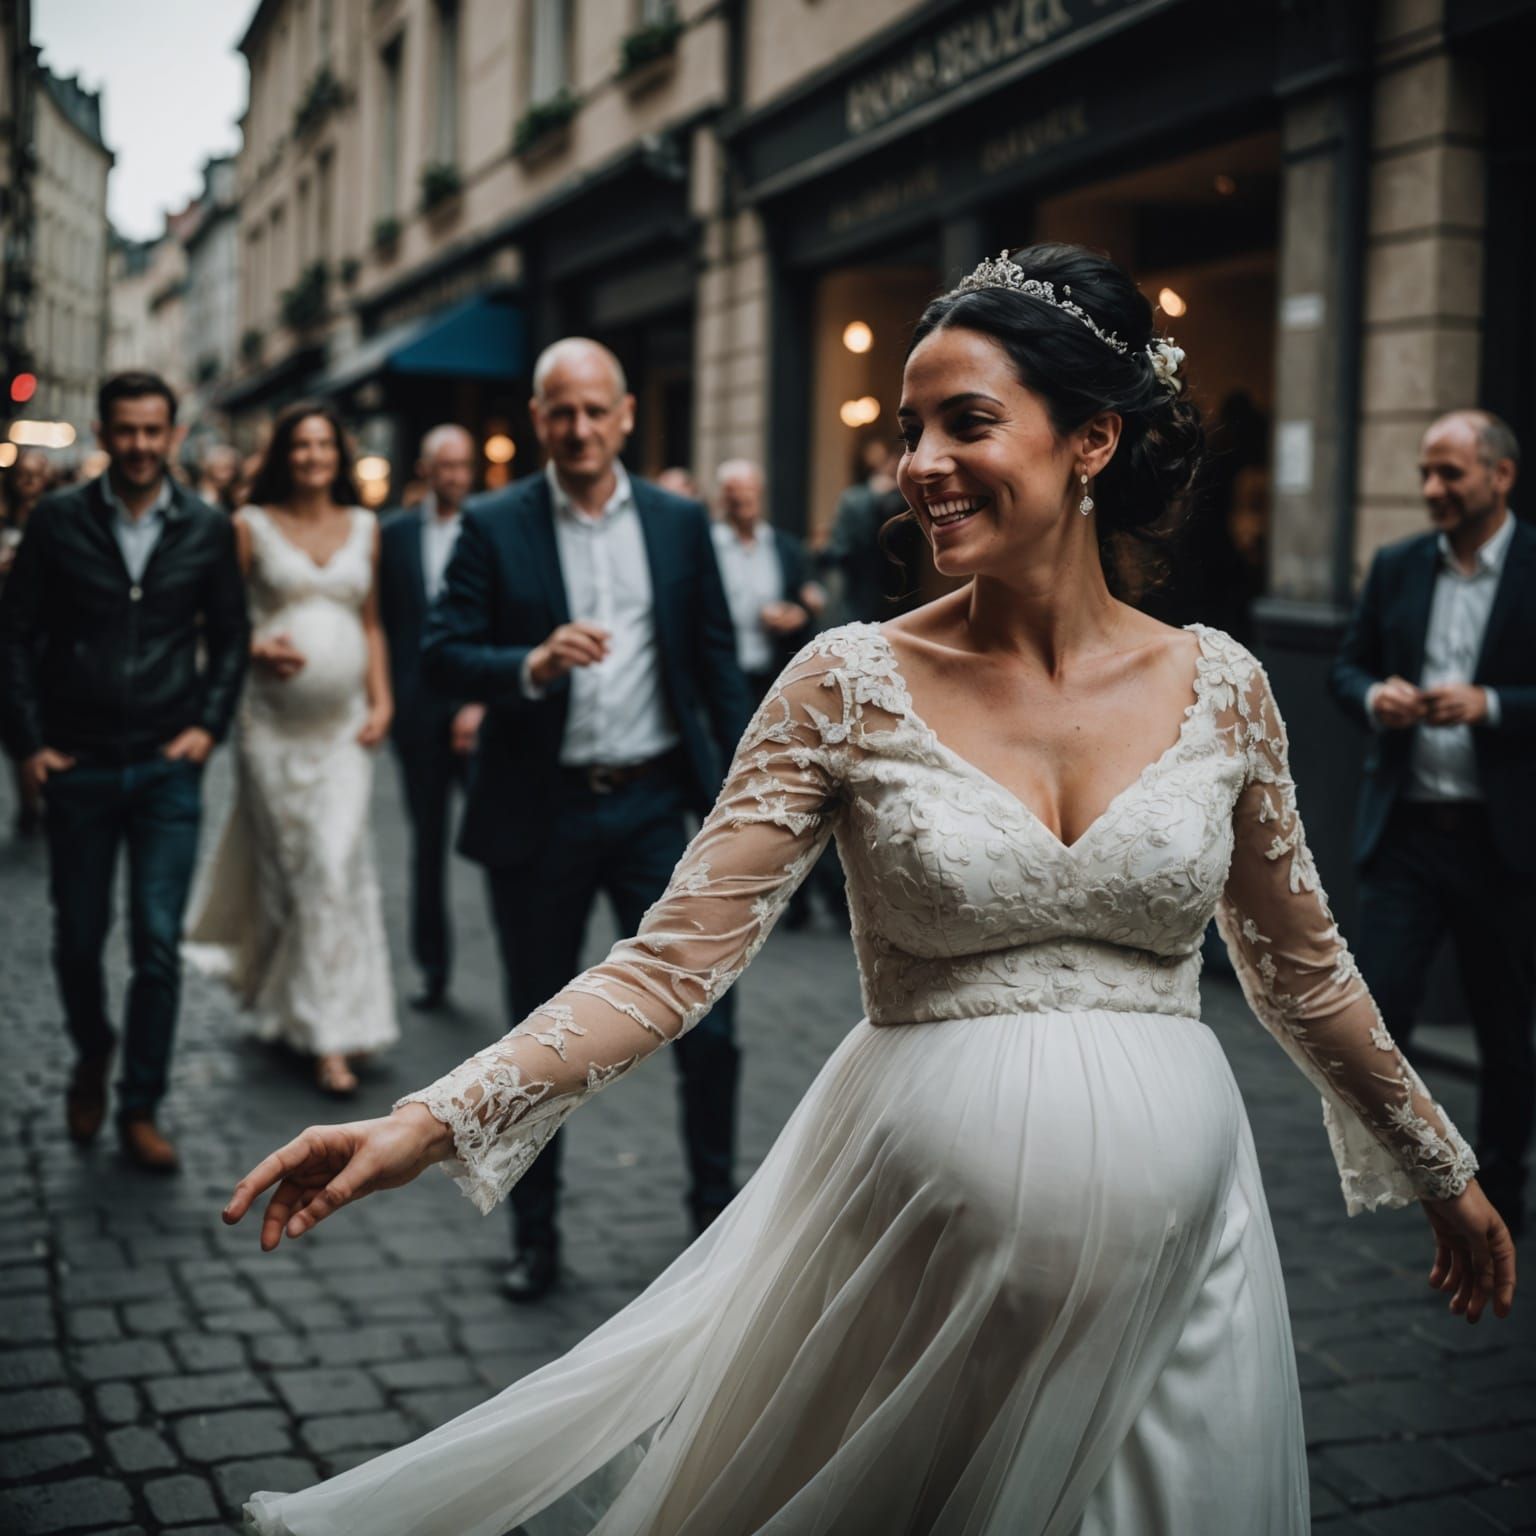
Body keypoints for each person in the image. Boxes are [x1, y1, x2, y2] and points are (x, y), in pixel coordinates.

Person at [227, 247, 1514, 1536]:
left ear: (1093, 441)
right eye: (910, 430)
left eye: (968, 422)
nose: (920, 463)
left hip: (1187, 1282)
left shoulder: (1224, 687)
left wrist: (1442, 1167)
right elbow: (673, 961)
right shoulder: (844, 684)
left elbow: (1304, 970)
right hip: (921, 1271)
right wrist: (432, 1120)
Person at [415, 337, 751, 1302]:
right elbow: (441, 656)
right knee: (535, 1041)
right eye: (560, 412)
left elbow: (716, 666)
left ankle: (713, 1218)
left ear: (627, 414)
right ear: (537, 419)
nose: (579, 428)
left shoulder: (681, 525)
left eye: (595, 411)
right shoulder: (493, 523)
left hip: (655, 807)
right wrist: (529, 664)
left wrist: (738, 798)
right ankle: (535, 1239)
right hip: (542, 812)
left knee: (709, 1027)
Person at [0, 372, 248, 1170]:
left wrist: (207, 729)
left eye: (154, 431)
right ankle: (92, 1050)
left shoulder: (205, 528)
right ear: (106, 433)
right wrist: (32, 745)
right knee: (77, 941)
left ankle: (140, 1105)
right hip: (79, 766)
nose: (141, 445)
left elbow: (232, 637)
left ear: (173, 436)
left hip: (167, 769)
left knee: (156, 943)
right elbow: (14, 638)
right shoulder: (59, 522)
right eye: (127, 430)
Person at [1330, 409, 1534, 1238]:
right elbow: (1347, 668)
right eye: (1425, 473)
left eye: (1449, 473)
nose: (1431, 490)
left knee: (1504, 1031)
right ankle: (1412, 1175)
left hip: (1500, 844)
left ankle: (1506, 1196)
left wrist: (1493, 706)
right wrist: (1377, 697)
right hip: (1406, 832)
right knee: (1377, 1019)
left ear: (1500, 475)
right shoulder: (1397, 565)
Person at [184, 403, 398, 1097]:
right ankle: (286, 1003)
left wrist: (383, 698)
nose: (312, 456)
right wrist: (251, 645)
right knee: (291, 876)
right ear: (285, 454)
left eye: (323, 445)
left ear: (339, 454)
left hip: (342, 728)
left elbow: (370, 625)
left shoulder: (366, 527)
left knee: (334, 865)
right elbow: (209, 621)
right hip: (271, 729)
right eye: (300, 445)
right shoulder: (248, 526)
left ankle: (332, 1036)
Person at [378, 424, 484, 1011]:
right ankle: (434, 968)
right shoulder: (391, 536)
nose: (453, 477)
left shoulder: (491, 530)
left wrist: (481, 702)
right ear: (424, 469)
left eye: (461, 466)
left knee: (498, 839)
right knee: (427, 844)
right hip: (417, 714)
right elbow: (382, 625)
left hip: (476, 714)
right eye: (442, 466)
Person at [709, 458, 824, 701]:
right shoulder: (707, 547)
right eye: (734, 490)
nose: (743, 497)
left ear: (760, 491)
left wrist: (798, 613)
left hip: (774, 672)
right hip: (720, 674)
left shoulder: (785, 547)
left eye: (749, 488)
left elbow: (808, 596)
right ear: (722, 497)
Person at [1, 448, 54, 835]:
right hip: (6, 631)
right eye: (23, 475)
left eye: (36, 475)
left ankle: (46, 789)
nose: (29, 482)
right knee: (13, 715)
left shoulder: (56, 519)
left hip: (46, 632)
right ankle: (28, 799)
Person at [821, 436, 916, 622]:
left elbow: (838, 551)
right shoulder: (858, 499)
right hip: (881, 598)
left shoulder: (857, 498)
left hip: (873, 599)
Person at [196, 441, 242, 512]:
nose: (227, 475)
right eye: (222, 469)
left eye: (231, 468)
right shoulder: (203, 498)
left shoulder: (232, 496)